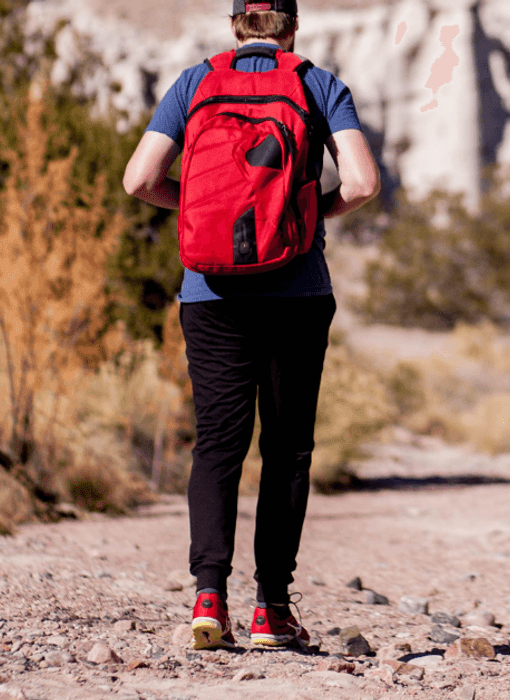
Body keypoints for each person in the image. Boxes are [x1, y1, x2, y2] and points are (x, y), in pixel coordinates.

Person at [123, 0, 379, 650]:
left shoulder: (195, 82)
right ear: (292, 27)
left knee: (217, 445)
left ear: (234, 24)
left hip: (211, 293)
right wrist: (299, 216)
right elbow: (363, 182)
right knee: (287, 449)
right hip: (296, 289)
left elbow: (139, 179)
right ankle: (272, 609)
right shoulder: (316, 83)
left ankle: (208, 598)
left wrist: (208, 208)